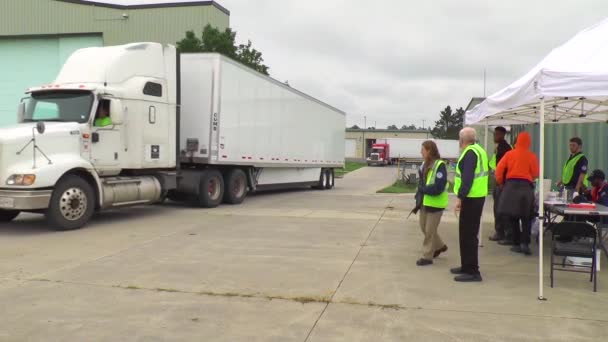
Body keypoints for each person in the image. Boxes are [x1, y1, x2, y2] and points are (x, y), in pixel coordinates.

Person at [452, 127, 488, 282]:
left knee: (469, 235)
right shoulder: (479, 150)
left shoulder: (470, 153)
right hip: (476, 197)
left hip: (471, 198)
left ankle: (473, 271)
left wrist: (460, 197)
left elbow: (467, 178)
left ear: (461, 140)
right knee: (465, 233)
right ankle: (466, 266)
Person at [495, 132, 539, 255]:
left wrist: (500, 182)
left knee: (512, 215)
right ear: (528, 143)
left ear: (517, 141)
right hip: (526, 188)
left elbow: (499, 169)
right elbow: (535, 173)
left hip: (511, 186)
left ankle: (516, 242)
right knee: (526, 217)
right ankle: (525, 243)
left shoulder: (509, 154)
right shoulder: (532, 156)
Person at [414, 141, 449, 266]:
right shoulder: (423, 165)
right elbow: (421, 183)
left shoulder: (440, 165)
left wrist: (423, 190)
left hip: (436, 204)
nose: (420, 152)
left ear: (429, 151)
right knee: (424, 228)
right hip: (424, 202)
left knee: (429, 231)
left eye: (422, 149)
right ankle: (440, 246)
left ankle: (427, 256)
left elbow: (439, 187)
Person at [488, 126, 513, 242]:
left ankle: (501, 232)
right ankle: (501, 232)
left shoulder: (505, 148)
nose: (495, 136)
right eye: (494, 134)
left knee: (499, 208)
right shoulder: (500, 147)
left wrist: (501, 181)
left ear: (503, 135)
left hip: (501, 183)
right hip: (500, 181)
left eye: (497, 134)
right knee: (499, 207)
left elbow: (504, 167)